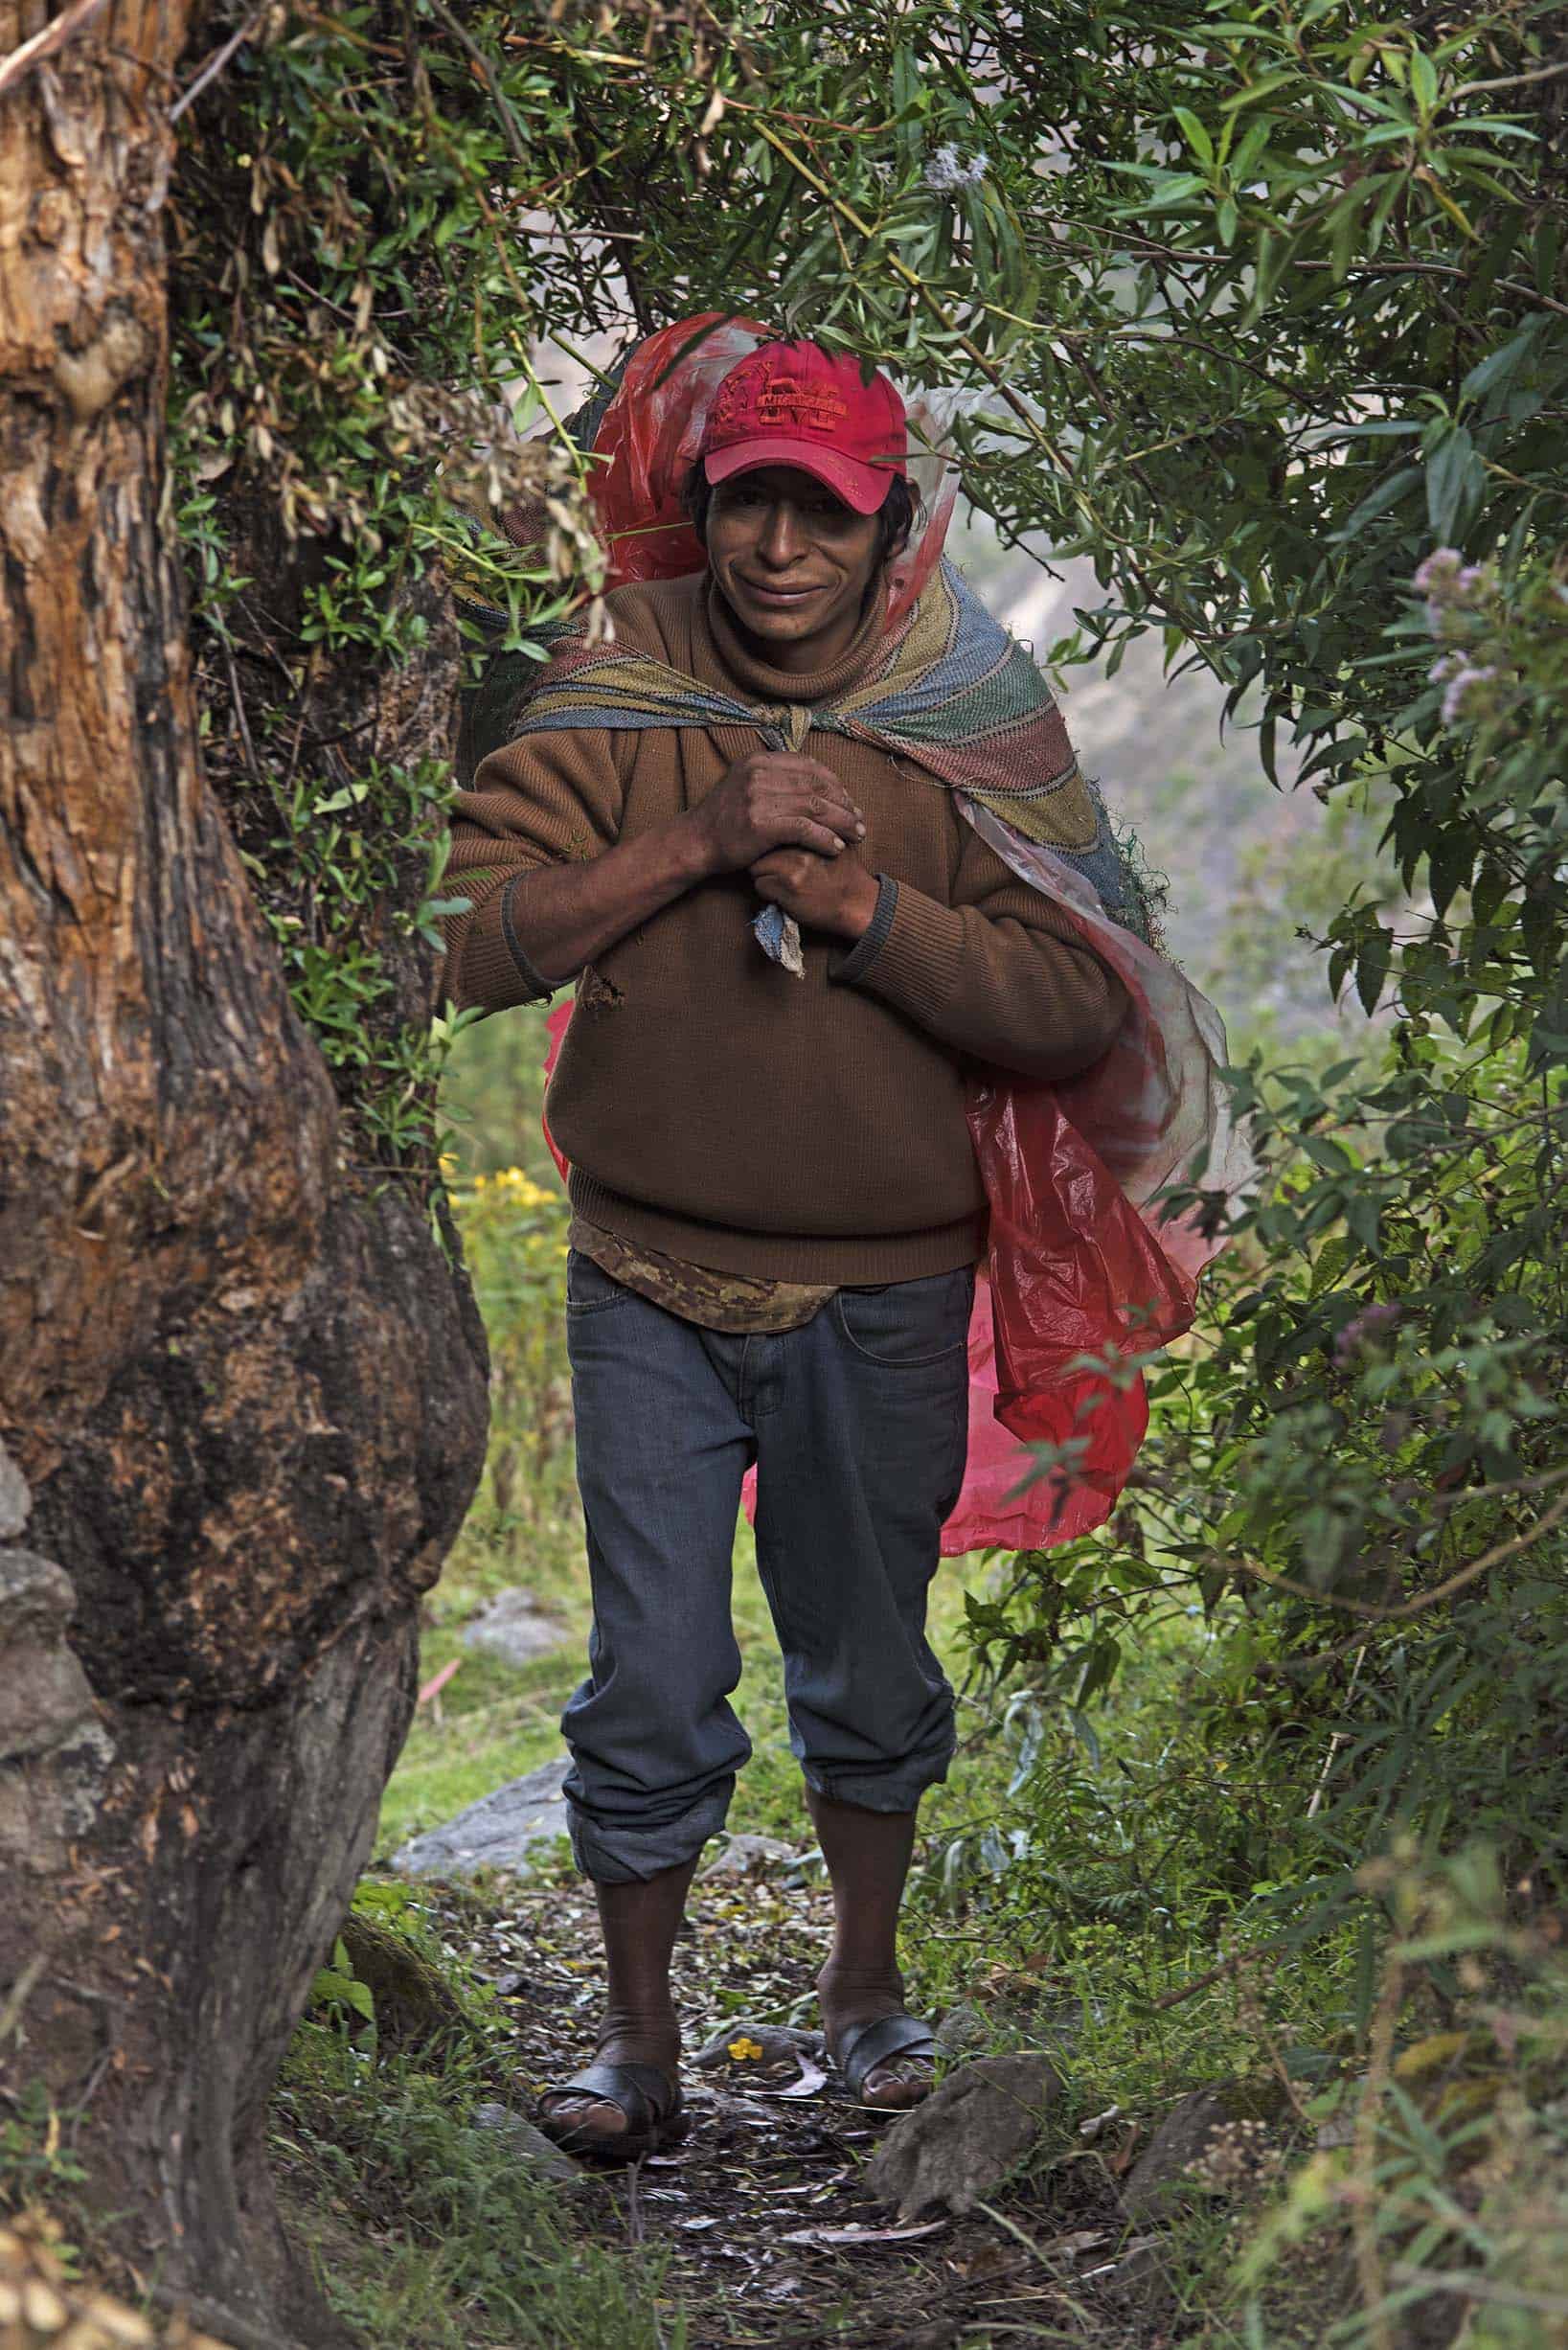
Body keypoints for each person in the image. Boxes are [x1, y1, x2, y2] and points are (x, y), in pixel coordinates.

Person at [441, 339, 1129, 2160]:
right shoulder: (611, 685)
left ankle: (864, 1994)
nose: (774, 546)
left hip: (888, 1284)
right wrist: (701, 839)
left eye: (820, 510)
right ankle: (636, 2050)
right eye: (746, 498)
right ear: (701, 502)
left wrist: (870, 911)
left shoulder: (971, 705)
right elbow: (463, 939)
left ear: (886, 524)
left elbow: (1075, 999)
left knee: (870, 1659)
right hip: (644, 1271)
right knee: (650, 1674)